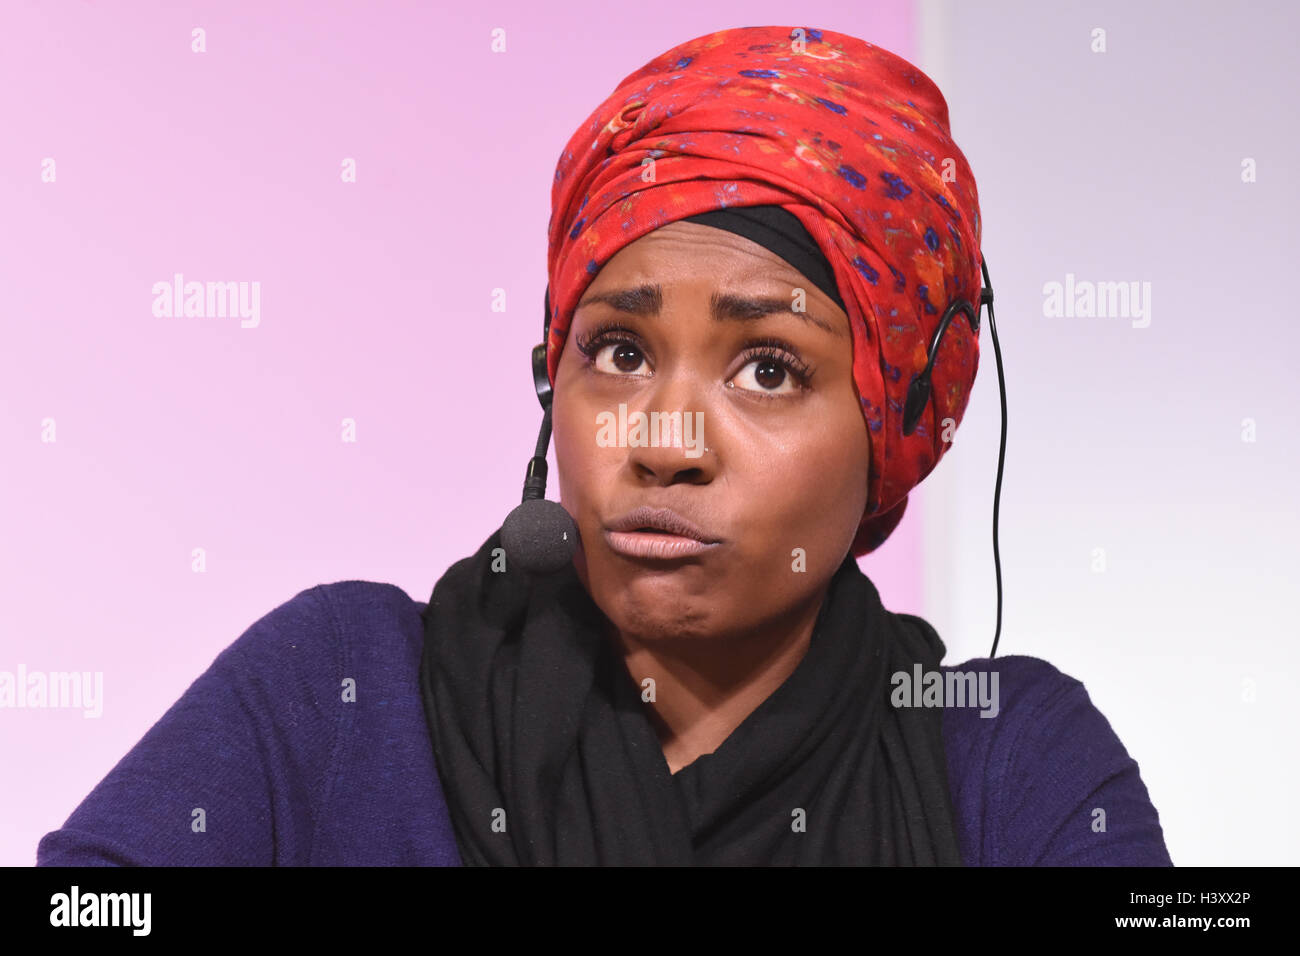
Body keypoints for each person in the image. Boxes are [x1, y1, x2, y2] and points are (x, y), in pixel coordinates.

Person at [37, 25, 1171, 867]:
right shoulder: (338, 688)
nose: (663, 441)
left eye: (767, 367)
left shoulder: (1006, 760)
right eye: (618, 351)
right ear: (549, 380)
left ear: (894, 425)